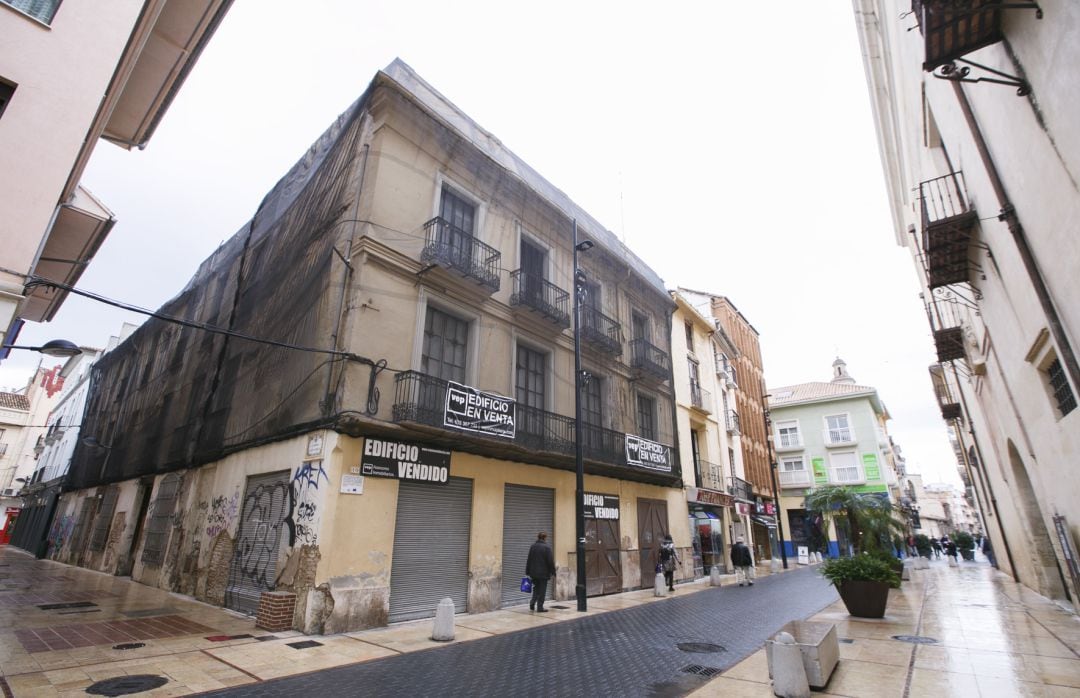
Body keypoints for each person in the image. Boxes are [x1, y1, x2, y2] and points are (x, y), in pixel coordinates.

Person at [525, 531, 555, 612]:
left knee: (536, 589)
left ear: (538, 537)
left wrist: (527, 571)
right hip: (543, 574)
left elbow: (529, 559)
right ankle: (540, 607)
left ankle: (532, 603)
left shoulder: (533, 546)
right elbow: (550, 561)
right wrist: (553, 572)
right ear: (545, 538)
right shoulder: (547, 547)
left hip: (533, 573)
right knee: (542, 591)